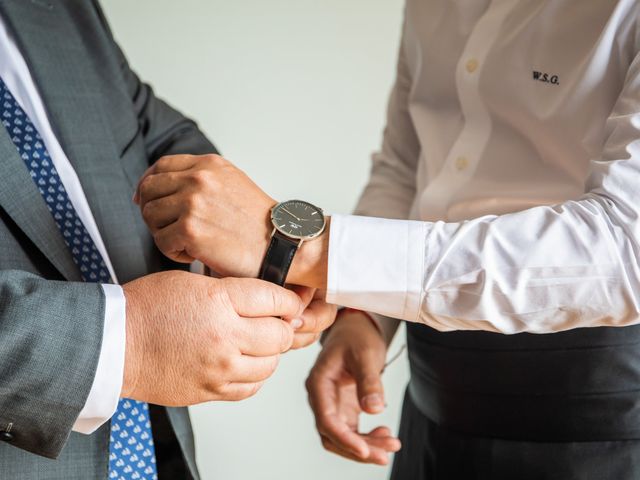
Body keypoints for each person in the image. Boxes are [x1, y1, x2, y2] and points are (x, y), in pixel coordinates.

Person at [138, 1, 640, 478]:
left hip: (606, 428)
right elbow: (407, 165)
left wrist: (299, 246)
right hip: (430, 412)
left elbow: (627, 247)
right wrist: (365, 316)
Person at [0, 1, 335, 479]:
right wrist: (126, 343)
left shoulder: (59, 9)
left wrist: (253, 253)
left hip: (160, 450)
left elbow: (157, 137)